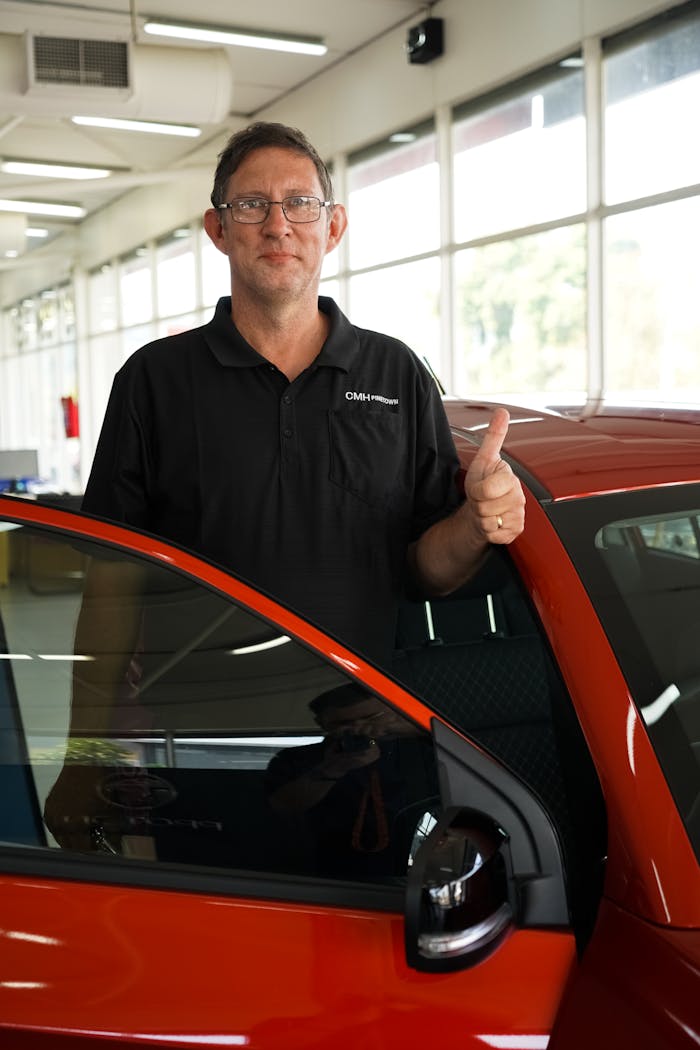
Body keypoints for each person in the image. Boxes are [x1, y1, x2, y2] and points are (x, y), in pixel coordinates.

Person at [79, 121, 525, 666]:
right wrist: (88, 739)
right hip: (204, 728)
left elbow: (424, 572)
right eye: (251, 205)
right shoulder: (152, 380)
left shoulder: (397, 373)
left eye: (299, 203)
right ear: (217, 229)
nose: (278, 225)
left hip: (367, 721)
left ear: (333, 227)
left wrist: (476, 524)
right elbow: (111, 578)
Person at [265, 683, 439, 879]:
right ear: (322, 723)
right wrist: (331, 769)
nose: (359, 729)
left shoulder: (424, 748)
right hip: (325, 873)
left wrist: (416, 728)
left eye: (372, 718)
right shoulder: (297, 760)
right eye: (344, 724)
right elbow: (281, 808)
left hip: (413, 867)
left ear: (393, 711)